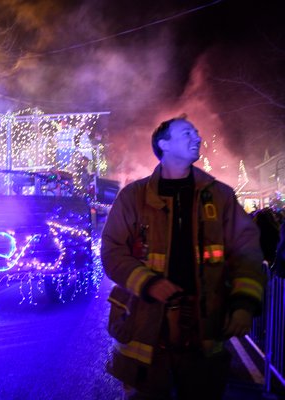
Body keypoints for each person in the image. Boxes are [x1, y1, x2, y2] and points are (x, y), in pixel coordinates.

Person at [101, 116, 265, 399]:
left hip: (203, 331)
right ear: (163, 144)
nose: (197, 137)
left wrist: (243, 303)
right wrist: (149, 283)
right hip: (145, 327)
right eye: (187, 133)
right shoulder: (133, 197)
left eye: (197, 132)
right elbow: (112, 250)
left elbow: (247, 251)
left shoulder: (220, 197)